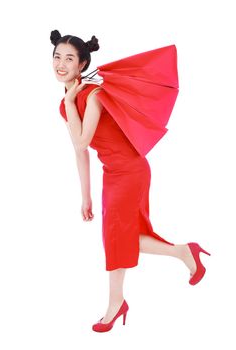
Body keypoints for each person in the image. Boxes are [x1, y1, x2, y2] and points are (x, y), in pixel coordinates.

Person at [50, 29, 211, 333]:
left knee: (115, 239)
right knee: (119, 238)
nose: (61, 64)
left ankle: (116, 303)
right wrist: (86, 196)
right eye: (57, 57)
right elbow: (79, 151)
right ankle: (182, 251)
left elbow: (83, 141)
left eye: (69, 58)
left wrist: (72, 102)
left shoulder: (92, 95)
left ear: (82, 64)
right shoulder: (66, 104)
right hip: (114, 172)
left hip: (131, 170)